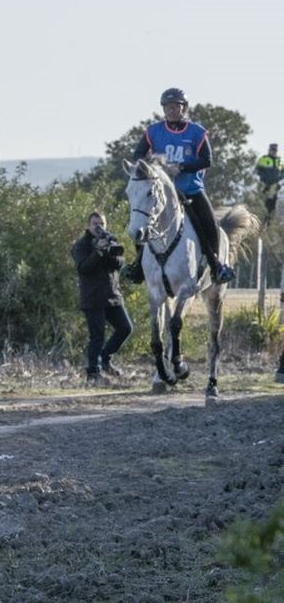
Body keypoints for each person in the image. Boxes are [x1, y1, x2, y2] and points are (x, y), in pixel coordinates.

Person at [123, 87, 237, 286]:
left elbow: (206, 160)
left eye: (176, 107)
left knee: (210, 223)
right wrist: (153, 167)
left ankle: (216, 265)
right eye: (167, 107)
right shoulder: (153, 131)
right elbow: (138, 155)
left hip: (190, 188)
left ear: (184, 108)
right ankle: (138, 266)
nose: (171, 111)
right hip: (163, 191)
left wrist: (182, 167)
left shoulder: (196, 132)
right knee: (140, 218)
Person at [72, 211, 131, 384]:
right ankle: (93, 373)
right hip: (92, 297)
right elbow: (83, 268)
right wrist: (98, 251)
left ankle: (105, 359)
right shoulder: (81, 245)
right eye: (95, 224)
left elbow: (119, 263)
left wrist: (109, 249)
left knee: (125, 328)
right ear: (88, 226)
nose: (99, 227)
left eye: (102, 224)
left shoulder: (110, 239)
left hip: (112, 295)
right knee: (97, 336)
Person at [257, 142, 281, 219]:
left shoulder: (279, 160)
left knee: (272, 206)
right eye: (272, 150)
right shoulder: (263, 159)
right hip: (264, 186)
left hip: (274, 187)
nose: (274, 151)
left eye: (275, 150)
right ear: (269, 150)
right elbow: (258, 171)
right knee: (263, 205)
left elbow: (282, 172)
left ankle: (268, 224)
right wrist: (264, 179)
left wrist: (279, 180)